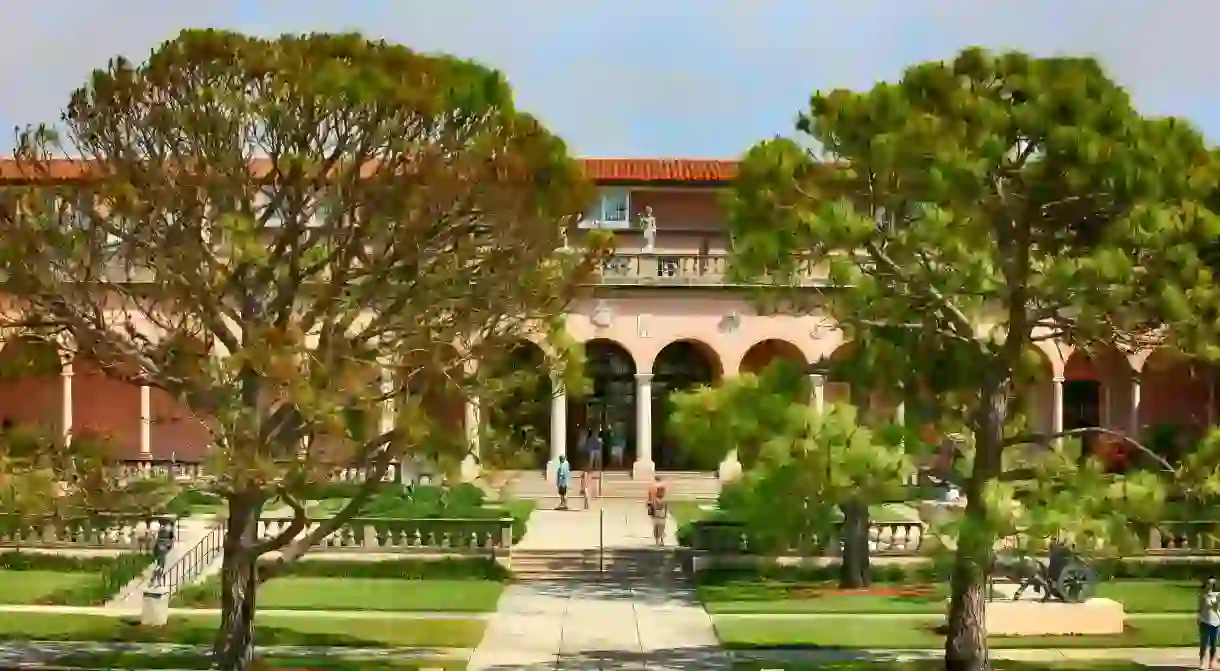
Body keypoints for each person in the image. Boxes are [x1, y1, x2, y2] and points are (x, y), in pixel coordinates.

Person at [1200, 576, 1219, 669]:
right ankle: (1202, 662)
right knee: (1204, 643)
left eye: (1212, 584)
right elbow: (1199, 608)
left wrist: (1215, 606)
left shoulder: (1218, 595)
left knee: (1213, 644)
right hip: (1205, 621)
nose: (1210, 586)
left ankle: (1212, 662)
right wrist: (1198, 617)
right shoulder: (1202, 595)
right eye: (1209, 583)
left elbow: (1217, 609)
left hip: (1216, 622)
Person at [649, 480, 668, 547]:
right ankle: (658, 540)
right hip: (657, 516)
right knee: (657, 528)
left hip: (661, 516)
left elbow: (665, 508)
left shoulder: (663, 500)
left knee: (661, 528)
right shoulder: (655, 500)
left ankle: (661, 540)